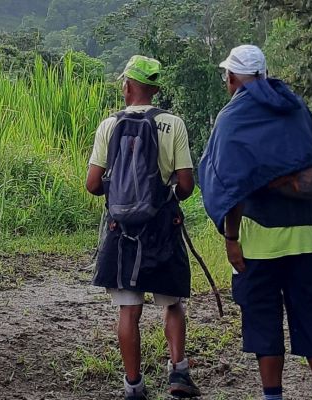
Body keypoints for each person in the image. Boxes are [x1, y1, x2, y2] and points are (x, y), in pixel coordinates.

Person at [199, 45, 312, 400]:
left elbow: (229, 185)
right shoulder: (296, 109)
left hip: (258, 241)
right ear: (264, 73)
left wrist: (232, 238)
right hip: (304, 236)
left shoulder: (232, 118)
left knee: (264, 322)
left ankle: (272, 396)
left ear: (231, 78)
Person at [85, 55, 202, 400]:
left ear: (128, 85)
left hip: (122, 230)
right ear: (154, 87)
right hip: (162, 226)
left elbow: (92, 183)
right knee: (172, 303)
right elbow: (186, 183)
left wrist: (120, 195)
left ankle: (133, 385)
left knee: (128, 309)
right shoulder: (173, 123)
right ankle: (179, 372)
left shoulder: (109, 125)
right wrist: (166, 199)